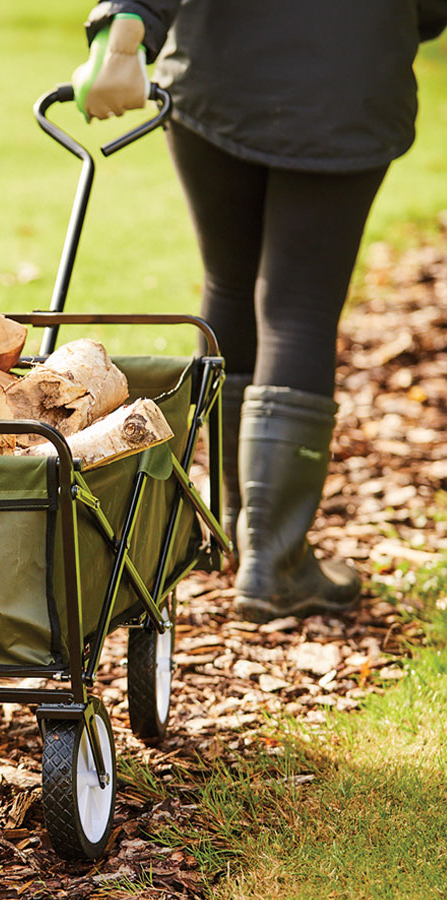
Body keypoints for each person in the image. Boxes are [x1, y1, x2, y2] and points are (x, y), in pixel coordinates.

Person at [72, 2, 447, 623]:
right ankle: (272, 562)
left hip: (219, 79)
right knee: (298, 308)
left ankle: (229, 530)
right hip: (346, 85)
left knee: (229, 283)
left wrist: (124, 31)